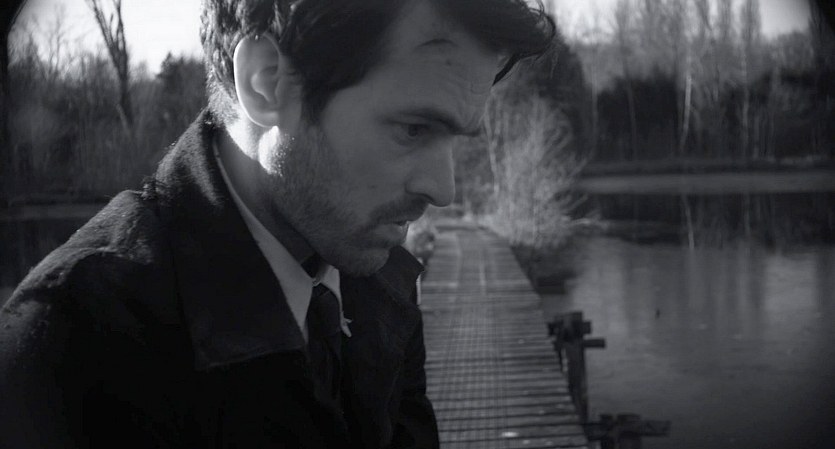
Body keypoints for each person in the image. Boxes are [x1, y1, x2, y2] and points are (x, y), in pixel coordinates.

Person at [0, 0, 554, 447]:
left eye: (454, 138)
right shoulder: (73, 348)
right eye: (413, 129)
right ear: (266, 83)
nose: (444, 190)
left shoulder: (379, 279)